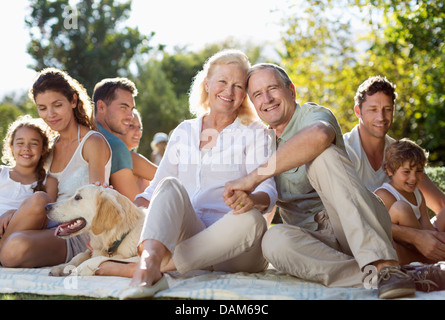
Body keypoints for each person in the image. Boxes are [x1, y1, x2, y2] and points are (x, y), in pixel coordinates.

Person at [223, 63, 418, 299]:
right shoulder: (262, 142)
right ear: (254, 104)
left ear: (291, 91)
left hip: (355, 224)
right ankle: (386, 278)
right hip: (317, 244)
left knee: (322, 155)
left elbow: (320, 135)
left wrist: (253, 178)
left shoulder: (314, 115)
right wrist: (248, 198)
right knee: (273, 240)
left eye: (273, 88)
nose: (267, 99)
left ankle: (385, 266)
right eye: (257, 94)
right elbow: (267, 197)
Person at [117, 50, 277, 299]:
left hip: (238, 248)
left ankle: (152, 268)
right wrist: (124, 211)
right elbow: (155, 190)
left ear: (244, 94)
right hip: (191, 235)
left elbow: (268, 190)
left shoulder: (256, 133)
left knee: (252, 220)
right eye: (222, 82)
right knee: (169, 185)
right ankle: (148, 269)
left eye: (238, 86)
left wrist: (252, 199)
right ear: (207, 84)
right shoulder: (184, 131)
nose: (229, 91)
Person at [0, 67, 111, 268]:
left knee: (14, 249)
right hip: (48, 222)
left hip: (76, 231)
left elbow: (98, 196)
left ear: (73, 101)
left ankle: (4, 250)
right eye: (42, 108)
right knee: (39, 199)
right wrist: (15, 214)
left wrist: (97, 239)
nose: (49, 114)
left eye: (57, 105)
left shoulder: (92, 142)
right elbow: (41, 195)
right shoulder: (49, 147)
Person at [343, 75, 445, 262]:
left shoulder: (399, 153)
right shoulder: (346, 152)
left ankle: (429, 258)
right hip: (375, 236)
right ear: (358, 111)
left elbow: (440, 204)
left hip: (412, 234)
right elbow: (354, 222)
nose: (381, 117)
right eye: (373, 109)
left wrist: (433, 238)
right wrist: (416, 237)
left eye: (387, 109)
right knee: (387, 248)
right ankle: (427, 261)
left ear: (393, 111)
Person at [375, 139, 440, 263]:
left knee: (437, 239)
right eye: (406, 172)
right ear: (389, 170)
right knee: (401, 208)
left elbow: (427, 227)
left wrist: (438, 240)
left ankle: (430, 260)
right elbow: (378, 230)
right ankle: (430, 260)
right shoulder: (384, 194)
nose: (413, 178)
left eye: (419, 171)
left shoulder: (417, 194)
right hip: (395, 249)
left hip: (417, 249)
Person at [0, 115, 58, 252]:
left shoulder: (49, 182)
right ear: (11, 146)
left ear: (43, 148)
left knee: (40, 200)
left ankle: (2, 249)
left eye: (34, 143)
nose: (26, 148)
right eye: (20, 143)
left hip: (16, 239)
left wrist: (14, 213)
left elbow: (45, 219)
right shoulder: (1, 173)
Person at [93, 78, 153, 201]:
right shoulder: (113, 145)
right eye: (123, 107)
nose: (130, 117)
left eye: (131, 109)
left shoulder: (87, 133)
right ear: (101, 107)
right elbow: (135, 210)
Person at [115, 109, 156, 191]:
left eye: (139, 127)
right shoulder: (128, 157)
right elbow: (166, 175)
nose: (138, 132)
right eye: (131, 126)